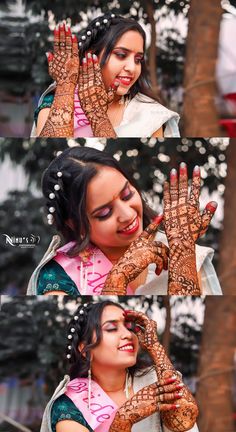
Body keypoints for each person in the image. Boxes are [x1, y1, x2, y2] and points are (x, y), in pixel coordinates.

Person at [27, 146, 222, 296]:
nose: (128, 215)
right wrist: (117, 280)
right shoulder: (58, 276)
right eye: (104, 213)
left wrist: (182, 257)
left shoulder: (180, 244)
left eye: (127, 195)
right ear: (74, 223)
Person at [40, 300, 199, 432]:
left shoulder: (153, 381)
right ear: (84, 350)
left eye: (130, 328)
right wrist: (124, 419)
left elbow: (184, 422)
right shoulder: (68, 406)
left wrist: (155, 347)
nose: (128, 334)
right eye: (111, 328)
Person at [31, 13, 180, 139]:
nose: (132, 68)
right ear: (91, 55)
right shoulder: (54, 103)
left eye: (138, 59)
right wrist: (65, 89)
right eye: (121, 55)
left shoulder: (151, 116)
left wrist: (97, 116)